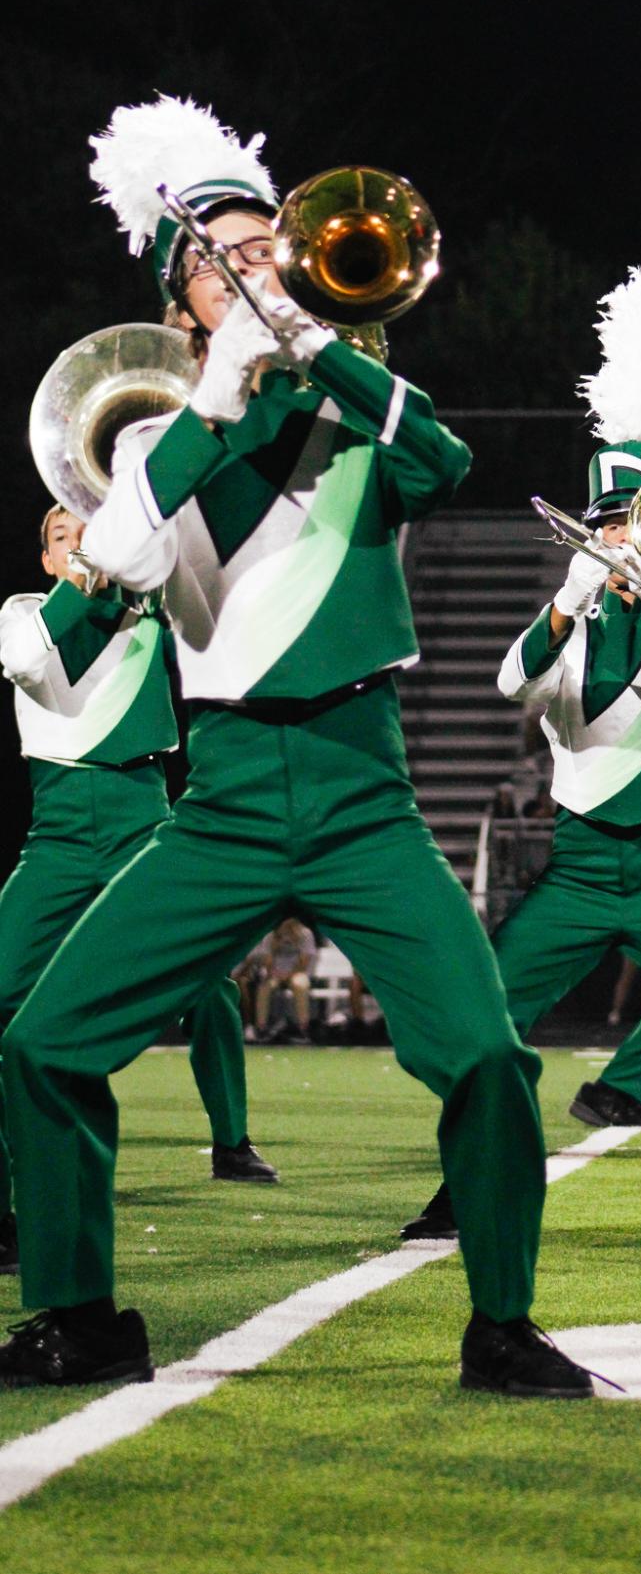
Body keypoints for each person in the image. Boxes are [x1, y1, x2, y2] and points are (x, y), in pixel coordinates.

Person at [0, 96, 591, 1398]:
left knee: (487, 1054)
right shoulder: (155, 439)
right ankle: (82, 1313)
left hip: (359, 789)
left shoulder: (360, 410)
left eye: (265, 245)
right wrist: (217, 395)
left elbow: (443, 460)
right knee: (44, 1044)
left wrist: (316, 346)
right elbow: (126, 560)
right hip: (215, 801)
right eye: (219, 257)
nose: (250, 267)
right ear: (181, 301)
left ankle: (501, 1322)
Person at [401, 269, 641, 1246]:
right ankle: (461, 1192)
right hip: (574, 871)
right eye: (609, 525)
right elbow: (509, 682)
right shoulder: (564, 624)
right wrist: (569, 593)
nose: (620, 540)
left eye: (635, 526)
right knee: (479, 1030)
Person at [0, 501, 275, 1278]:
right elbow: (25, 661)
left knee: (212, 980)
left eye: (88, 528)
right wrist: (84, 578)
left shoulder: (150, 604)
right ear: (47, 558)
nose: (78, 541)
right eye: (62, 536)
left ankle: (231, 1140)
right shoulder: (23, 611)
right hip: (57, 828)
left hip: (143, 814)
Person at [253, 918, 317, 1043]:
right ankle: (261, 1028)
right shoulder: (270, 935)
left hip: (297, 973)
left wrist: (288, 974)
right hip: (274, 973)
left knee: (300, 985)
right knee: (264, 987)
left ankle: (302, 1028)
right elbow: (267, 963)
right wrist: (274, 946)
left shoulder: (305, 934)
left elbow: (304, 962)